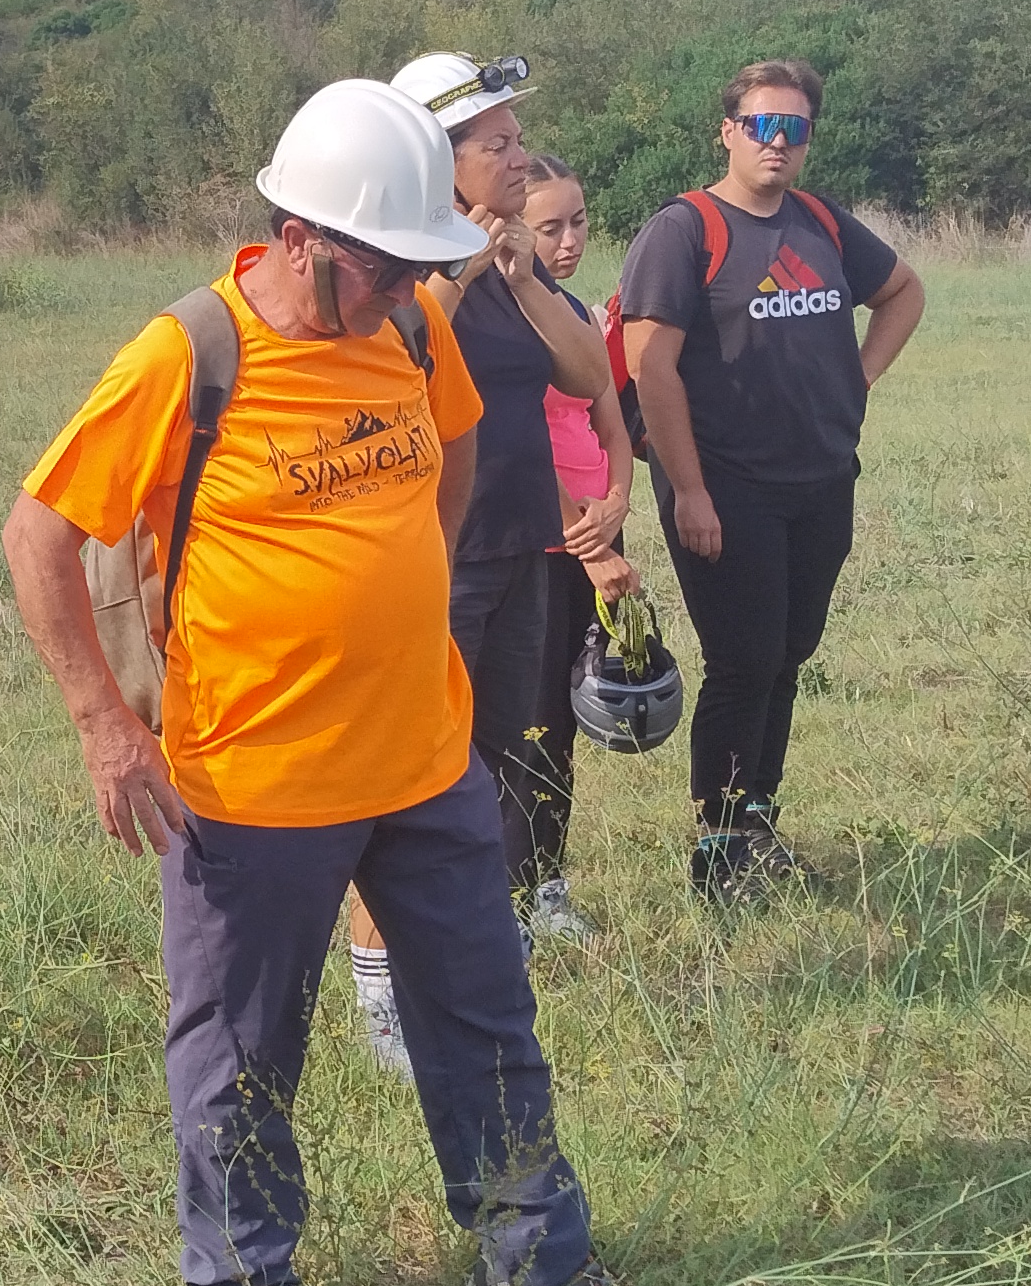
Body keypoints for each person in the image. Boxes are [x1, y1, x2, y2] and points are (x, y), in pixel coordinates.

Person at [2, 79, 653, 1286]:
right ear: (297, 237)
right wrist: (106, 728)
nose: (408, 288)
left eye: (418, 265)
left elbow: (454, 450)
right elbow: (38, 534)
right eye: (383, 266)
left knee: (485, 1012)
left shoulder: (407, 323)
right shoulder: (191, 353)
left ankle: (531, 1255)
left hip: (424, 756)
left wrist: (403, 599)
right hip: (252, 780)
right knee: (242, 1044)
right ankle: (241, 1284)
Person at [334, 54, 624, 1079]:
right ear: (435, 157)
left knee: (491, 768)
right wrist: (462, 267)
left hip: (518, 548)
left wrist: (522, 276)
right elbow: (409, 357)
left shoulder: (517, 261)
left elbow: (585, 375)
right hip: (432, 560)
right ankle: (380, 992)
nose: (515, 157)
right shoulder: (394, 268)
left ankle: (461, 963)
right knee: (406, 775)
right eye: (495, 144)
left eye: (515, 140)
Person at [612, 61, 925, 902]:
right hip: (725, 486)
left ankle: (757, 823)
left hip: (820, 479)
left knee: (788, 655)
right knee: (742, 662)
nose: (777, 143)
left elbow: (902, 292)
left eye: (794, 128)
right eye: (761, 125)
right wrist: (690, 491)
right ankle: (717, 857)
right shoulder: (684, 231)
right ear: (729, 132)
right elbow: (651, 369)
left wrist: (859, 377)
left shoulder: (820, 222)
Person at [520, 156, 644, 927]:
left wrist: (619, 501)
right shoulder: (499, 319)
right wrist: (587, 540)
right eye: (550, 228)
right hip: (541, 540)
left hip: (597, 525)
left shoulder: (575, 311)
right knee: (529, 721)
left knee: (570, 713)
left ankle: (549, 886)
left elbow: (611, 419)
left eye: (579, 221)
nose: (569, 241)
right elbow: (517, 440)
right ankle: (516, 896)